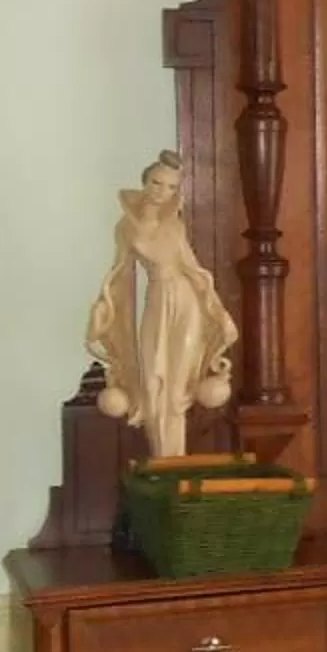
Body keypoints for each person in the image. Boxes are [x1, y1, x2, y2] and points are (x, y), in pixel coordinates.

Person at [85, 151, 240, 459]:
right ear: (145, 182)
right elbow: (120, 276)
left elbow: (193, 269)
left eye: (170, 187)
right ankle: (161, 459)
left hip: (187, 303)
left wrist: (217, 312)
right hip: (156, 300)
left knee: (178, 384)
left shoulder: (175, 225)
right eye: (157, 183)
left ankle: (174, 462)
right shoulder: (126, 228)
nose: (162, 191)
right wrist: (107, 311)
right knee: (153, 376)